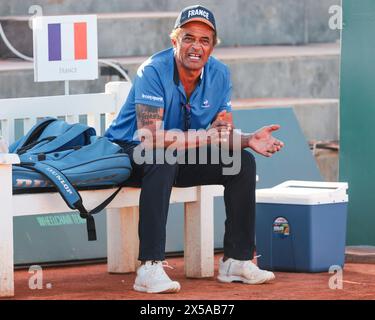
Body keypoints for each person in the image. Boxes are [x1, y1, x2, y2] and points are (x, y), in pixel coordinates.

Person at [105, 4, 284, 294]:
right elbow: (150, 138)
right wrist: (206, 136)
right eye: (188, 38)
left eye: (204, 40)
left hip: (176, 155)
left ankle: (236, 262)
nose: (196, 47)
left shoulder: (220, 74)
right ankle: (149, 267)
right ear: (175, 40)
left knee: (240, 163)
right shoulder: (152, 70)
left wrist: (248, 138)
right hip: (128, 154)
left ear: (212, 47)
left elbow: (221, 134)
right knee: (162, 157)